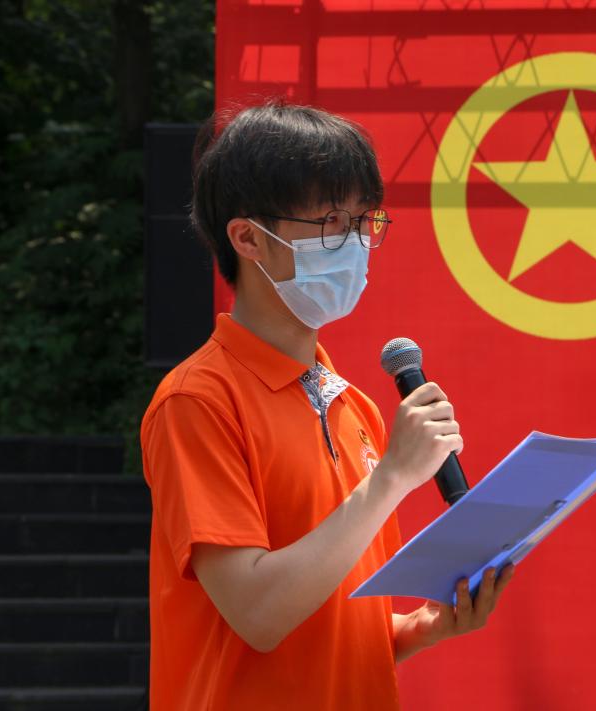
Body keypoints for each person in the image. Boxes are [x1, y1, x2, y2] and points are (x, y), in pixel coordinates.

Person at [140, 99, 515, 710]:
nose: (355, 242)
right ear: (247, 237)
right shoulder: (198, 399)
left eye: (364, 221)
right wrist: (391, 478)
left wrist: (421, 628)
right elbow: (259, 612)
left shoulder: (354, 405)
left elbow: (331, 624)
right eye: (330, 221)